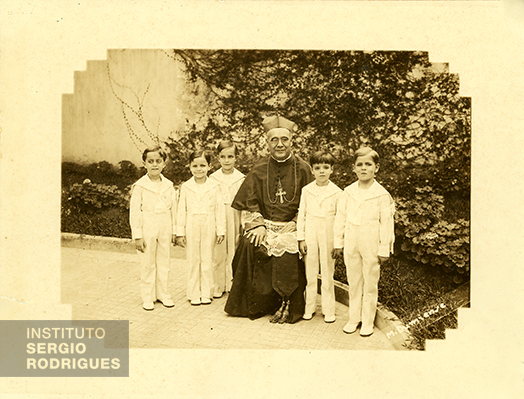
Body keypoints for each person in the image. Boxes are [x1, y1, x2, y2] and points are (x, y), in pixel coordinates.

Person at [224, 115, 314, 323]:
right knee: (249, 243)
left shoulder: (303, 168)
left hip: (293, 226)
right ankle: (254, 305)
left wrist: (295, 223)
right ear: (267, 142)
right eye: (274, 140)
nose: (280, 144)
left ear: (292, 141)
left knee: (289, 249)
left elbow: (312, 201)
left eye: (285, 139)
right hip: (264, 225)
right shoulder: (259, 167)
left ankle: (287, 304)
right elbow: (250, 200)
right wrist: (258, 224)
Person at [333, 147, 395, 336]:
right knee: (354, 280)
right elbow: (340, 218)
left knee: (370, 282)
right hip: (352, 241)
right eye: (359, 165)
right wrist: (338, 241)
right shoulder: (349, 192)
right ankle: (354, 318)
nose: (364, 168)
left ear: (376, 168)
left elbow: (386, 224)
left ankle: (367, 321)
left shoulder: (382, 195)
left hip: (371, 243)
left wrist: (385, 248)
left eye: (368, 164)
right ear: (353, 168)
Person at [129, 146, 177, 311]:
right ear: (144, 164)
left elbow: (174, 209)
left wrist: (175, 231)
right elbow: (135, 211)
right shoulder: (140, 186)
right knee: (147, 262)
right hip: (147, 225)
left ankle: (163, 294)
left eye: (158, 161)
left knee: (164, 261)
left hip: (164, 225)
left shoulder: (169, 185)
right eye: (151, 161)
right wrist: (138, 235)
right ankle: (147, 297)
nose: (155, 165)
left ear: (164, 164)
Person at [297, 151, 342, 323]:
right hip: (310, 233)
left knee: (328, 272)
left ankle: (328, 310)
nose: (322, 171)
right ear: (312, 170)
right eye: (318, 168)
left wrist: (338, 243)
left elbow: (339, 220)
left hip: (328, 234)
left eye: (326, 167)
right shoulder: (307, 190)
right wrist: (301, 238)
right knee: (310, 272)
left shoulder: (337, 192)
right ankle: (309, 308)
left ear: (332, 169)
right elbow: (302, 215)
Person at [176, 150, 226, 306]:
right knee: (193, 259)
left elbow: (219, 209)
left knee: (207, 258)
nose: (199, 169)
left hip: (208, 224)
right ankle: (193, 293)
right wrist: (180, 232)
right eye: (195, 166)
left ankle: (206, 292)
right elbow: (181, 211)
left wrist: (221, 230)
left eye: (202, 165)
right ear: (190, 167)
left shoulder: (214, 186)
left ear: (209, 166)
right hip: (192, 224)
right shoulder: (186, 187)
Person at [210, 140, 245, 298]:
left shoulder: (241, 178)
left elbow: (244, 202)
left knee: (234, 248)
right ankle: (218, 284)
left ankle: (231, 283)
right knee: (218, 251)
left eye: (230, 156)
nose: (227, 160)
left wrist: (243, 222)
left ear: (236, 158)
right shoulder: (213, 178)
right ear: (218, 158)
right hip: (218, 216)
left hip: (234, 214)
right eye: (223, 156)